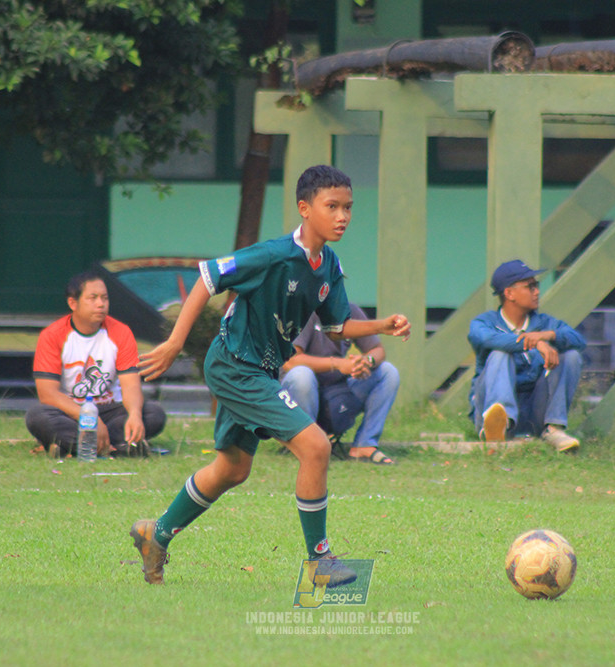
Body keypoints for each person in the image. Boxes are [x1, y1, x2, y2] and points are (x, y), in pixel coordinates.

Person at [129, 165, 411, 586]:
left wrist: (381, 325)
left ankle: (157, 535)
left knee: (232, 469)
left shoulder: (328, 264)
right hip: (234, 366)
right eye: (332, 206)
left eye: (348, 207)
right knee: (316, 446)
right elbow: (207, 277)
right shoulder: (273, 255)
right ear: (304, 208)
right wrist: (174, 343)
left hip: (259, 370)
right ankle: (320, 561)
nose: (343, 216)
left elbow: (336, 327)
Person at [25, 271, 167, 458]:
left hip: (110, 411)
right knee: (37, 416)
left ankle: (70, 446)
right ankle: (120, 446)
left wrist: (134, 415)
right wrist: (89, 420)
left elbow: (131, 385)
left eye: (104, 298)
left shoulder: (121, 332)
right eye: (92, 298)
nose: (101, 304)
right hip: (72, 412)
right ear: (73, 303)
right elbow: (47, 394)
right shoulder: (52, 335)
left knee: (153, 414)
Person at [468, 259, 587, 452]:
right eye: (530, 287)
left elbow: (579, 340)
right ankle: (498, 426)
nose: (537, 291)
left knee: (571, 356)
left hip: (533, 409)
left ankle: (554, 429)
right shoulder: (484, 323)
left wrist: (548, 335)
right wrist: (535, 343)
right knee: (500, 354)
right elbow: (487, 339)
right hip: (489, 406)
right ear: (509, 293)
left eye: (536, 286)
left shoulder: (544, 323)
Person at [281, 303, 400, 464]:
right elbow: (290, 361)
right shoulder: (303, 309)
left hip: (337, 388)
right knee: (302, 375)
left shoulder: (350, 310)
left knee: (387, 372)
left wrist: (366, 361)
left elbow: (377, 349)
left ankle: (365, 444)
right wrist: (337, 364)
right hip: (298, 395)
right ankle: (307, 444)